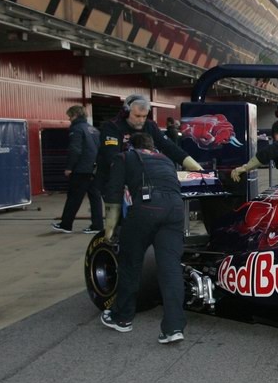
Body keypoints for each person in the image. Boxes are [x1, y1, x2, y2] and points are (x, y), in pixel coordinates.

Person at [99, 133, 188, 344]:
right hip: (176, 210)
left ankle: (122, 318)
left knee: (130, 263)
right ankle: (174, 327)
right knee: (171, 268)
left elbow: (113, 195)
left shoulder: (124, 157)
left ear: (131, 147)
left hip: (148, 207)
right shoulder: (165, 159)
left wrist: (109, 231)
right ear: (152, 147)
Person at [95, 94, 201, 191]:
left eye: (144, 116)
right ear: (126, 112)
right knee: (117, 210)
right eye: (137, 116)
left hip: (142, 180)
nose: (141, 120)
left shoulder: (150, 125)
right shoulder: (112, 127)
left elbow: (170, 147)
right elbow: (112, 157)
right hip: (113, 181)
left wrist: (196, 167)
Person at [52, 105, 104, 235]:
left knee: (74, 197)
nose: (69, 119)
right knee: (95, 197)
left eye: (70, 116)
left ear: (75, 115)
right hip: (94, 168)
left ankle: (66, 224)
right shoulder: (93, 129)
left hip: (81, 169)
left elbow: (75, 149)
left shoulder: (76, 129)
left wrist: (69, 167)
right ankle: (97, 225)